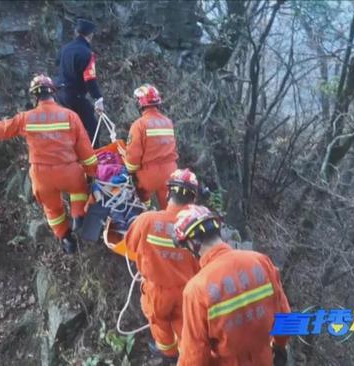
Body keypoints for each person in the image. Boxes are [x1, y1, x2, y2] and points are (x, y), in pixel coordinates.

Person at [0, 74, 97, 254]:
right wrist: (92, 171)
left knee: (52, 209)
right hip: (68, 170)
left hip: (42, 176)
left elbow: (2, 129)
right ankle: (78, 217)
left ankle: (66, 240)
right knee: (79, 189)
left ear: (35, 96)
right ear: (53, 92)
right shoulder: (70, 116)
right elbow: (85, 150)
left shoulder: (26, 118)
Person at [172, 205, 291, 366]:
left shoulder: (196, 290)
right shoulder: (261, 261)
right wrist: (280, 346)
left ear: (193, 242)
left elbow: (195, 354)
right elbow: (284, 315)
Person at [124, 169, 201, 361]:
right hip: (187, 292)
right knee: (186, 329)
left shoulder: (147, 220)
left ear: (168, 194)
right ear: (192, 201)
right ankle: (187, 357)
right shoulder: (198, 229)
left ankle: (167, 354)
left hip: (156, 291)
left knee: (159, 323)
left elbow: (129, 245)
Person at [124, 84, 178, 209]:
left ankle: (145, 211)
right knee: (169, 209)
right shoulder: (168, 122)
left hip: (149, 175)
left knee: (139, 191)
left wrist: (130, 172)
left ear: (140, 103)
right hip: (171, 173)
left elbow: (133, 158)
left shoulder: (139, 125)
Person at [56, 18, 104, 143]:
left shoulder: (65, 48)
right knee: (92, 129)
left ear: (77, 32)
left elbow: (58, 65)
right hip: (75, 96)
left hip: (59, 95)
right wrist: (98, 98)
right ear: (91, 35)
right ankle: (94, 159)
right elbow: (90, 78)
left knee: (70, 128)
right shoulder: (87, 53)